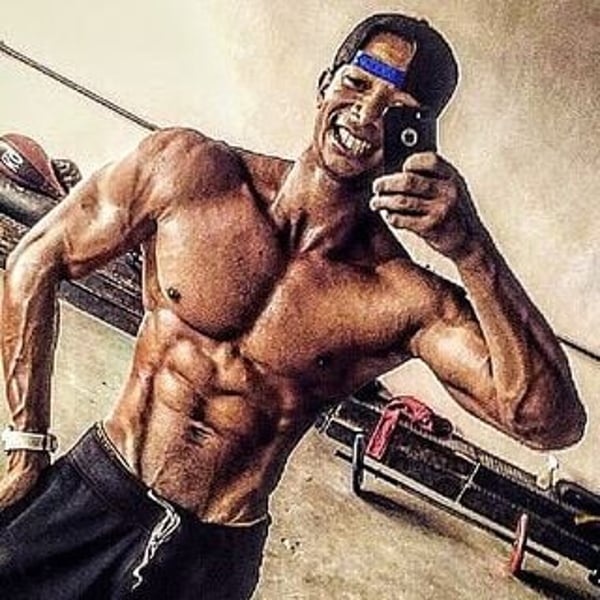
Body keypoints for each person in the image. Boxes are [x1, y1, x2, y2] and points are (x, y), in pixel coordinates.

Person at [0, 12, 586, 600]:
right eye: (357, 83)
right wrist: (25, 444)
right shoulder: (187, 173)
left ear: (418, 134)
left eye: (397, 108)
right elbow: (37, 258)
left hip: (210, 555)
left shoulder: (400, 295)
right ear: (325, 84)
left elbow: (547, 421)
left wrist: (471, 249)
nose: (366, 114)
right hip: (95, 489)